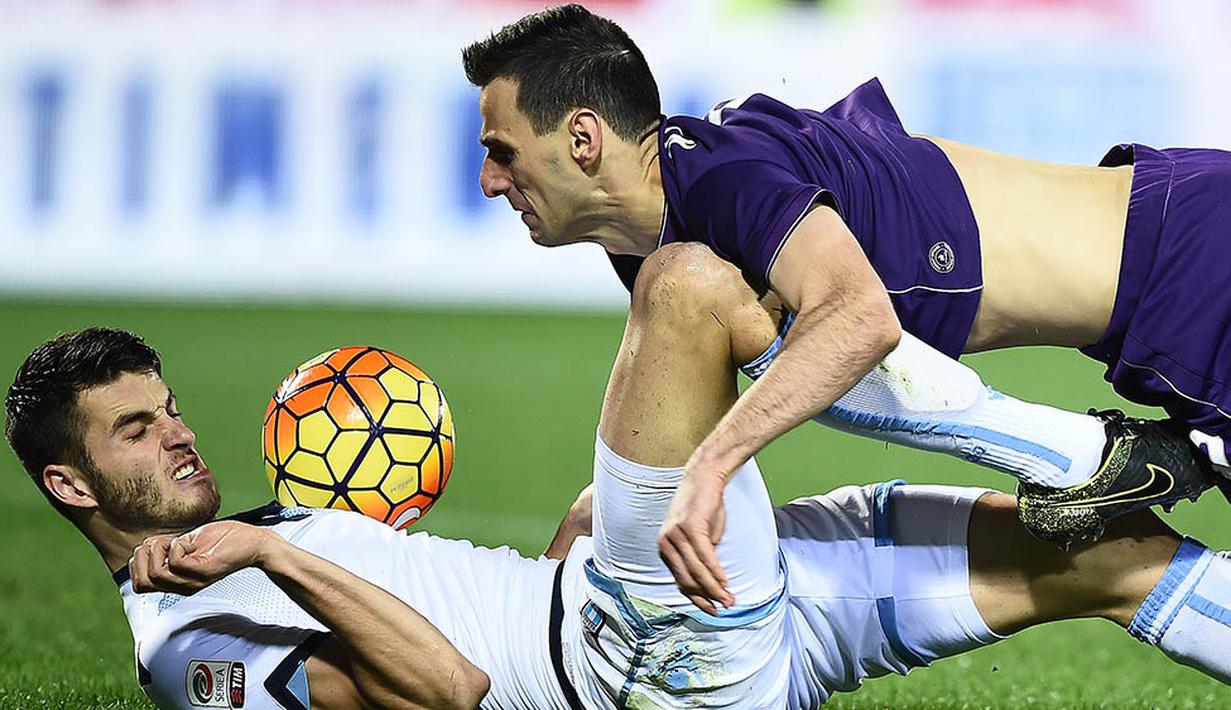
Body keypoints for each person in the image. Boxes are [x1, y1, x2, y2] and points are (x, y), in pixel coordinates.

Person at [6, 323, 1231, 709]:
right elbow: (448, 689)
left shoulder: (238, 538)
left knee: (1106, 555)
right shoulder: (187, 653)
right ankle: (1113, 442)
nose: (177, 432)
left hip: (631, 610)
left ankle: (1102, 474)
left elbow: (494, 608)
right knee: (690, 290)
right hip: (640, 658)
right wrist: (274, 547)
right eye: (132, 428)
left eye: (166, 409)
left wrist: (572, 542)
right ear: (70, 485)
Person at [460, 4, 1228, 596]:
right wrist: (605, 514)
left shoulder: (719, 176)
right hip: (1168, 277)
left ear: (584, 138)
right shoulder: (668, 243)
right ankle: (1082, 453)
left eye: (503, 151)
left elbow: (858, 318)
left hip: (1192, 263)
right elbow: (673, 420)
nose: (491, 180)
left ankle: (1079, 453)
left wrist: (711, 466)